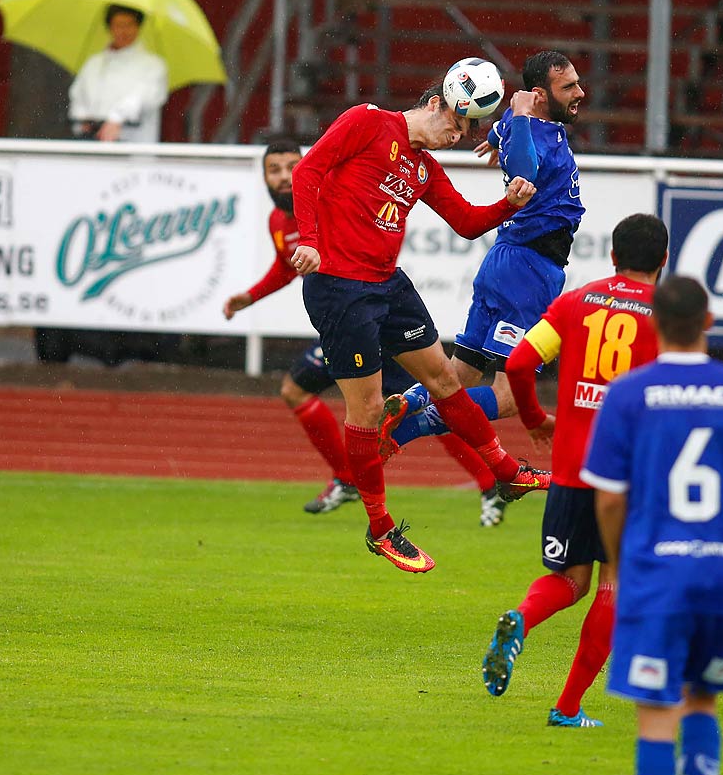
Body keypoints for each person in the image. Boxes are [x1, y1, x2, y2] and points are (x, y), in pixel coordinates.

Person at [289, 84, 548, 574]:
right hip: (340, 289)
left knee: (446, 381)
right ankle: (381, 528)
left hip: (388, 284)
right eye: (456, 122)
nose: (457, 135)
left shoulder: (423, 168)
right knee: (365, 407)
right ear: (434, 103)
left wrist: (509, 204)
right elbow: (308, 171)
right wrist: (310, 239)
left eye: (468, 131)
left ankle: (506, 473)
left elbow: (468, 223)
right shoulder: (367, 121)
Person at [582, 276, 723, 775]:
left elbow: (607, 500)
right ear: (709, 322)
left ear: (653, 325)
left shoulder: (628, 392)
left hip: (656, 576)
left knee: (655, 715)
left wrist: (622, 566)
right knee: (703, 701)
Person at [221, 137, 500, 515]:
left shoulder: (325, 196)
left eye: (291, 167)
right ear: (264, 177)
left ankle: (488, 483)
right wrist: (250, 297)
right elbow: (288, 265)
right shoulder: (278, 221)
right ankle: (346, 478)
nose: (285, 177)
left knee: (427, 401)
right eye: (274, 171)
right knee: (297, 389)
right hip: (347, 324)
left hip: (371, 316)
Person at [481, 212, 667, 729]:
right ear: (665, 262)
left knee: (568, 578)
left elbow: (517, 364)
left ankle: (521, 618)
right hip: (630, 474)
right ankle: (566, 707)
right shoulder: (667, 316)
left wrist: (537, 418)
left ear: (611, 256)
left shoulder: (576, 301)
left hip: (570, 467)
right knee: (614, 584)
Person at [389, 50, 586, 526]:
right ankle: (404, 429)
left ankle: (409, 401)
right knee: (510, 396)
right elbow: (523, 173)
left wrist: (502, 135)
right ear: (540, 95)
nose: (580, 93)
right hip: (528, 272)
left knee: (464, 377)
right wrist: (515, 121)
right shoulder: (528, 126)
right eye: (569, 87)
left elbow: (510, 148)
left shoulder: (530, 130)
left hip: (507, 261)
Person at [68, 5, 170, 142]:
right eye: (118, 25)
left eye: (129, 25)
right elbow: (78, 95)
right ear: (109, 27)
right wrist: (83, 119)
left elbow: (145, 97)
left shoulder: (153, 65)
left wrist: (116, 118)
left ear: (138, 27)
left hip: (133, 145)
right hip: (91, 142)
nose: (124, 31)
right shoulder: (94, 63)